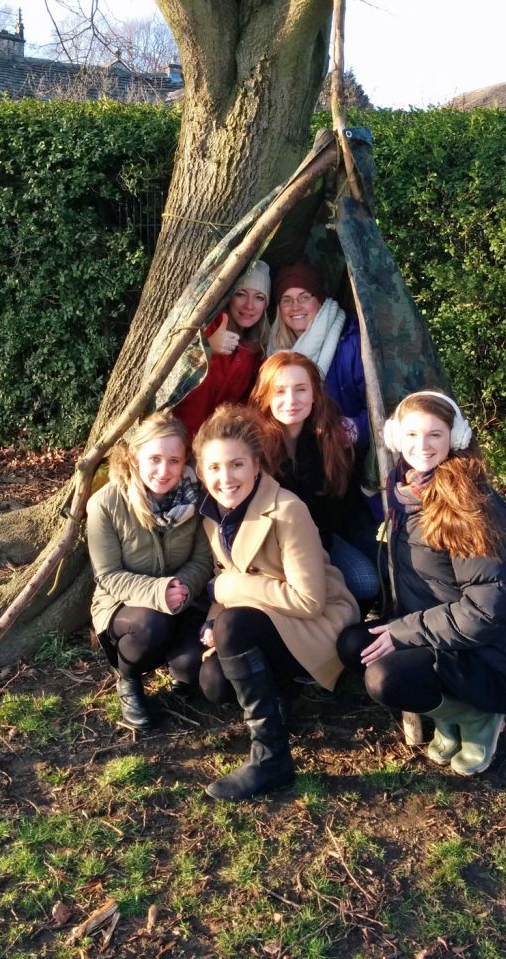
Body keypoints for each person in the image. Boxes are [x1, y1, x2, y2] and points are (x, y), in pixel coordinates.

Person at [337, 391, 506, 776]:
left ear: (455, 438)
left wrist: (402, 633)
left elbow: (486, 612)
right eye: (411, 435)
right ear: (396, 438)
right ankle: (448, 714)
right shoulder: (405, 489)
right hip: (435, 631)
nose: (421, 446)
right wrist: (397, 625)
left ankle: (479, 716)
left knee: (384, 678)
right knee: (352, 645)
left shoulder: (471, 508)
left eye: (434, 435)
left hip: (482, 650)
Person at [193, 403, 360, 801]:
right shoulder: (213, 514)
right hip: (268, 617)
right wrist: (212, 619)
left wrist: (226, 596)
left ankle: (271, 757)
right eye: (213, 468)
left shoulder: (287, 510)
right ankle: (282, 692)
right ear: (201, 471)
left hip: (318, 621)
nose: (225, 477)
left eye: (236, 465)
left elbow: (308, 600)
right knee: (214, 682)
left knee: (235, 627)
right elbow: (230, 576)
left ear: (256, 465)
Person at [86, 413, 213, 729]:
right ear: (135, 457)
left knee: (191, 668)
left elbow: (202, 561)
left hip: (184, 600)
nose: (163, 470)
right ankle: (128, 679)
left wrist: (182, 587)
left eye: (173, 460)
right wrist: (158, 592)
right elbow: (108, 574)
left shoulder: (198, 499)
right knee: (149, 627)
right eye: (154, 458)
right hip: (125, 608)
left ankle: (176, 670)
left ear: (185, 461)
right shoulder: (105, 503)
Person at [248, 351, 380, 604]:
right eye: (279, 391)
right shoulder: (253, 444)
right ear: (265, 395)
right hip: (268, 545)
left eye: (301, 389)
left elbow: (343, 502)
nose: (291, 400)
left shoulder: (328, 438)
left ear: (314, 395)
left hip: (319, 540)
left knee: (367, 580)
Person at [267, 259, 368, 448]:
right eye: (286, 300)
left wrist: (354, 427)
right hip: (292, 450)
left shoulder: (350, 342)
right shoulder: (273, 349)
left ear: (319, 300)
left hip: (343, 453)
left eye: (304, 297)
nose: (295, 306)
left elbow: (380, 408)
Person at [173, 260, 271, 442]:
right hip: (180, 440)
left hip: (215, 447)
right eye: (241, 294)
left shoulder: (258, 349)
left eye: (259, 297)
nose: (249, 305)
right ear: (229, 297)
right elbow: (170, 372)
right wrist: (207, 347)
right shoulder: (207, 326)